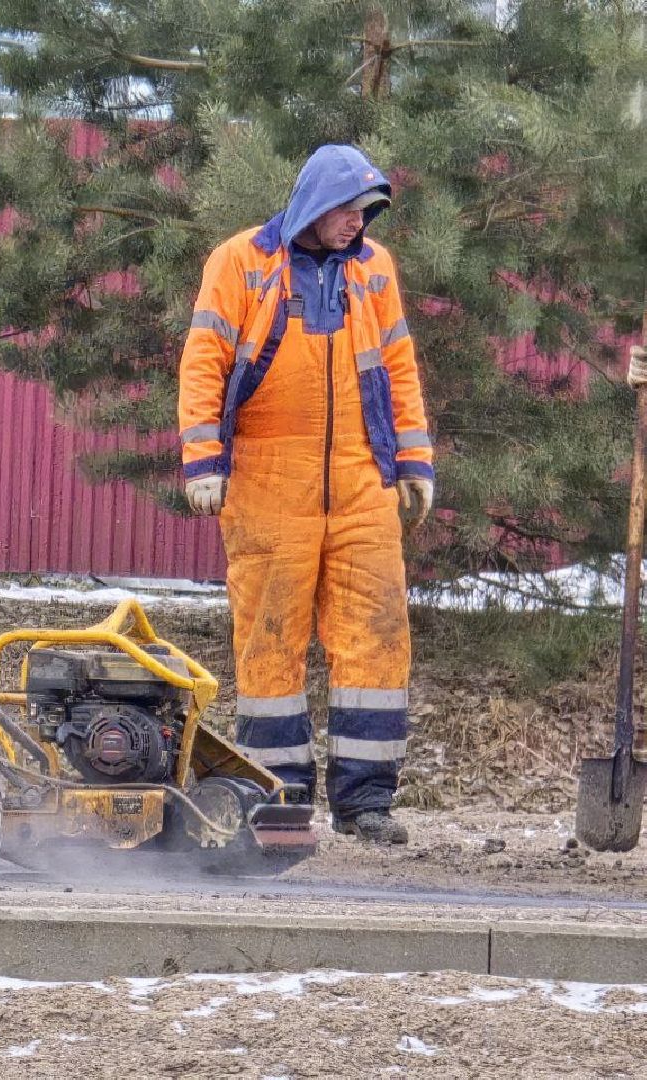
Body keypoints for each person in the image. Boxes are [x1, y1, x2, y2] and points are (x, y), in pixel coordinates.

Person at [177, 144, 433, 845]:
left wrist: (413, 460)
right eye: (347, 211)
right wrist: (204, 459)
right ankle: (277, 795)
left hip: (362, 476)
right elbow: (204, 362)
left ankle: (366, 803)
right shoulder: (241, 263)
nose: (357, 224)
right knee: (270, 643)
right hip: (265, 477)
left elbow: (400, 368)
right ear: (315, 204)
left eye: (365, 213)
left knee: (376, 643)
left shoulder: (374, 271)